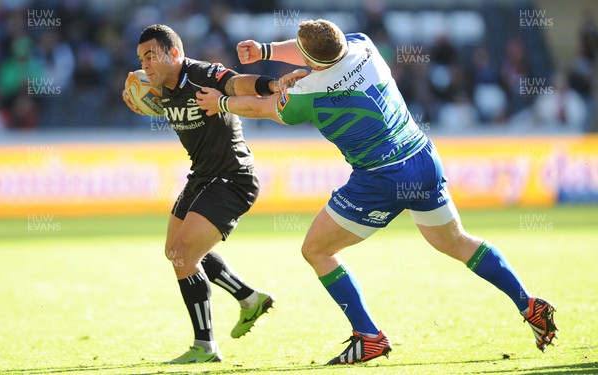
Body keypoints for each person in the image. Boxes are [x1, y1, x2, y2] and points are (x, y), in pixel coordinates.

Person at [196, 19, 559, 365]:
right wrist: (265, 50)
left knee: (316, 249)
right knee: (456, 242)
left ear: (308, 59)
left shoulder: (307, 92)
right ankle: (529, 305)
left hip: (379, 178)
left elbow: (263, 107)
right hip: (420, 156)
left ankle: (368, 336)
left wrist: (221, 103)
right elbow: (315, 51)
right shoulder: (363, 46)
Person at [121, 24, 291, 364]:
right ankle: (249, 298)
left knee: (184, 253)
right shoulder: (158, 88)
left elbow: (235, 83)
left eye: (151, 55)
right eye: (141, 58)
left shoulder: (201, 73)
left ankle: (205, 345)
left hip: (233, 177)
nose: (145, 64)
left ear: (174, 53)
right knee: (175, 251)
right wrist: (139, 101)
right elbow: (148, 99)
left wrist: (271, 84)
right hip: (201, 176)